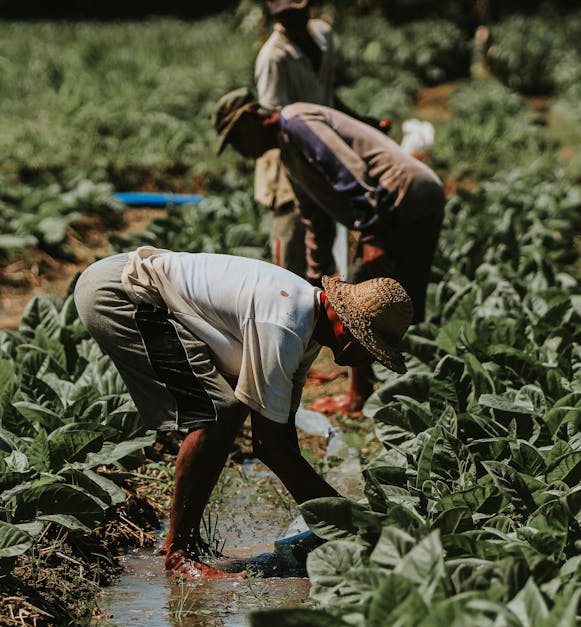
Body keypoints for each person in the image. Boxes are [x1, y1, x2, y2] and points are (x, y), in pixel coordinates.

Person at [73, 246, 413, 577]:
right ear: (346, 331)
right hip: (121, 293)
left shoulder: (306, 324)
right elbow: (270, 448)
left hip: (132, 285)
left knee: (229, 408)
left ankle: (184, 541)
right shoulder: (284, 326)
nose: (368, 362)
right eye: (371, 350)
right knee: (218, 412)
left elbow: (280, 437)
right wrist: (351, 523)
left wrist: (338, 520)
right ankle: (178, 554)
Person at [212, 89, 444, 413]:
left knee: (370, 300)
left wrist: (371, 234)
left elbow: (348, 171)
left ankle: (366, 396)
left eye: (235, 139)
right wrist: (314, 275)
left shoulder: (296, 121)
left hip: (403, 199)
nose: (239, 150)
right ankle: (400, 394)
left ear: (251, 119)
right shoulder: (288, 153)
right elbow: (314, 218)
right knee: (393, 301)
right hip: (401, 202)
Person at [254, 0, 389, 278]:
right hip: (289, 166)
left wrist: (361, 123)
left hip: (324, 156)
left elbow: (326, 100)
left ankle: (328, 309)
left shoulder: (324, 37)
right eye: (283, 15)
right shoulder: (273, 57)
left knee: (325, 243)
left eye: (296, 10)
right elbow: (274, 121)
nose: (290, 19)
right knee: (293, 251)